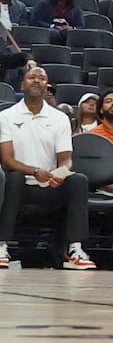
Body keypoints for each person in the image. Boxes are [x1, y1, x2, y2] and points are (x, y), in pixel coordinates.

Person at [0, 65, 97, 270]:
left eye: (42, 78)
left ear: (47, 86)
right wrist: (35, 171)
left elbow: (66, 159)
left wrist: (60, 174)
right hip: (19, 185)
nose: (37, 81)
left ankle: (75, 249)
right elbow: (7, 161)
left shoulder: (60, 118)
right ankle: (2, 245)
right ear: (22, 84)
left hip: (49, 186)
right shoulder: (6, 116)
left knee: (78, 180)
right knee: (13, 177)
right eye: (32, 77)